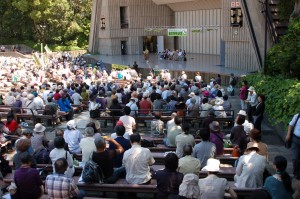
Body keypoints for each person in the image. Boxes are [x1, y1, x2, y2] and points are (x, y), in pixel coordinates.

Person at [285, 112, 300, 180]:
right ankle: (296, 174)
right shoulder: (297, 116)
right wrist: (288, 134)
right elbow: (291, 124)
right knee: (295, 158)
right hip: (296, 139)